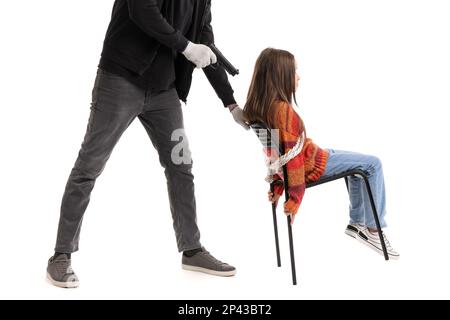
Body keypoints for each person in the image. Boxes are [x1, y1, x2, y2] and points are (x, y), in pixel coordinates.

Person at [46, 0, 246, 288]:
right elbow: (142, 10)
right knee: (89, 165)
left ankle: (192, 250)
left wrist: (231, 104)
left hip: (164, 92)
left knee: (181, 164)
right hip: (120, 82)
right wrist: (187, 48)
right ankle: (60, 256)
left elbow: (206, 46)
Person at [243, 48, 399, 260]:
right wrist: (294, 198)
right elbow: (292, 159)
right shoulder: (283, 111)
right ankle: (373, 230)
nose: (298, 76)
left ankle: (357, 224)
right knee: (373, 164)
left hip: (313, 155)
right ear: (281, 75)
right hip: (311, 164)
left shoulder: (259, 108)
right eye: (294, 71)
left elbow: (276, 156)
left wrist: (278, 183)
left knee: (355, 164)